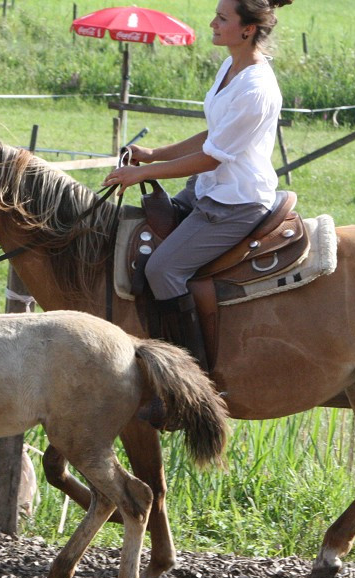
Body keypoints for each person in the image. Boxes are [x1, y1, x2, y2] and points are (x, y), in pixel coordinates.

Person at [102, 0, 290, 368]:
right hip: (207, 188)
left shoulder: (256, 88)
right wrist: (155, 154)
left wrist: (142, 173)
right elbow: (213, 135)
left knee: (163, 269)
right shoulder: (230, 67)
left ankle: (188, 371)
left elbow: (212, 156)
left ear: (247, 29)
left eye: (222, 19)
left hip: (235, 202)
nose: (212, 24)